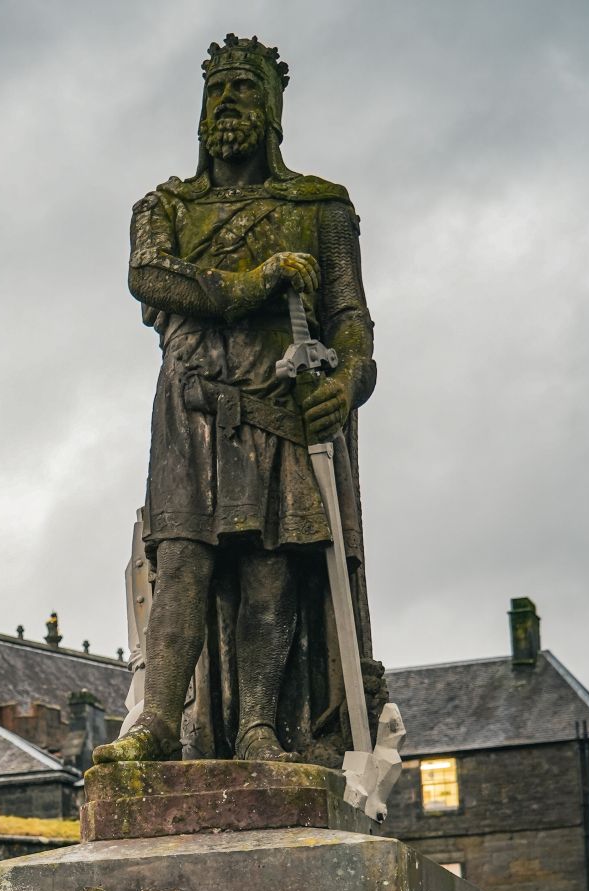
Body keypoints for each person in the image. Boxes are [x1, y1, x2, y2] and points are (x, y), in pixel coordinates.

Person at [94, 34, 380, 766]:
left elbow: (351, 324)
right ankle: (158, 724)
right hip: (191, 409)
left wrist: (345, 386)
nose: (226, 103)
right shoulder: (164, 208)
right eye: (216, 90)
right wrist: (259, 282)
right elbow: (152, 278)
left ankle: (259, 726)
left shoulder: (320, 210)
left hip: (280, 403)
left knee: (269, 568)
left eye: (244, 90)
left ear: (273, 111)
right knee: (182, 562)